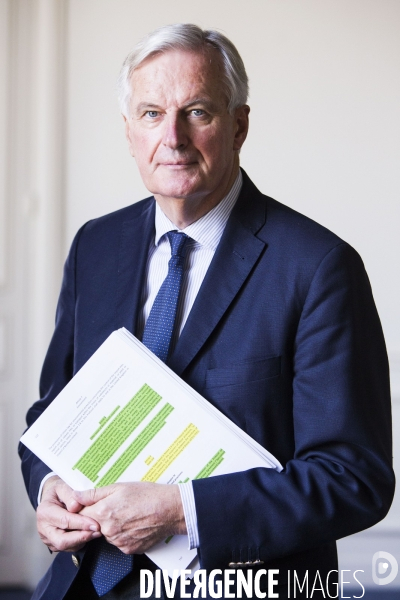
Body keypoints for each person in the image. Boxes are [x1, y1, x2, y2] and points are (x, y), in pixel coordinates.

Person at [19, 23, 394, 600]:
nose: (172, 136)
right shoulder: (95, 246)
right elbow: (50, 415)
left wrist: (182, 513)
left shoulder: (320, 267)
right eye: (150, 114)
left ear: (239, 125)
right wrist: (48, 491)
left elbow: (354, 478)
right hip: (83, 583)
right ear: (128, 131)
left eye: (196, 111)